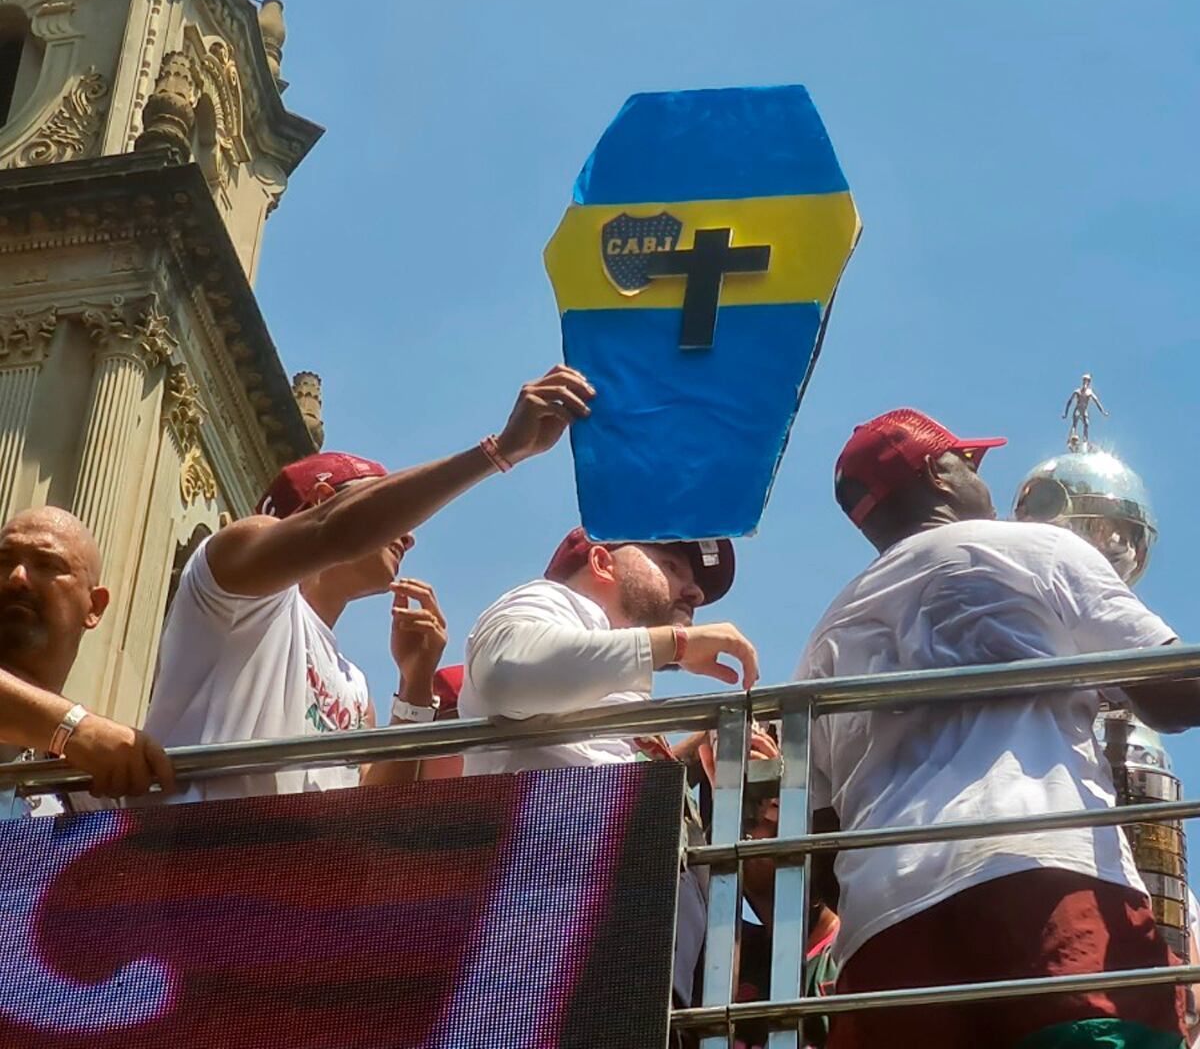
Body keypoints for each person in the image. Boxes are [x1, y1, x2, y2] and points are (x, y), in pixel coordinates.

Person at [796, 408, 1199, 1049]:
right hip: (1044, 887)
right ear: (939, 471)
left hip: (886, 936)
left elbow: (819, 848)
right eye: (970, 462)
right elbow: (1177, 696)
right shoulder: (1034, 547)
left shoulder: (824, 637)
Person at [141, 365, 594, 802]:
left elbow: (368, 812)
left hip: (286, 876)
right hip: (190, 863)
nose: (409, 532)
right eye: (384, 500)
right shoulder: (234, 580)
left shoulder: (352, 683)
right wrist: (498, 452)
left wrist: (415, 684)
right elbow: (336, 530)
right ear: (321, 500)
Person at [459, 526, 760, 1005]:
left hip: (632, 982)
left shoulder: (622, 694)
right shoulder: (549, 600)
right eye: (673, 565)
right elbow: (505, 673)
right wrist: (675, 644)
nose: (694, 591)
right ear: (602, 563)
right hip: (549, 958)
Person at [0, 506, 174, 811]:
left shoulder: (94, 796)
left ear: (94, 606)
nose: (17, 577)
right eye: (2, 561)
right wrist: (73, 729)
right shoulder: (79, 736)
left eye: (47, 564)